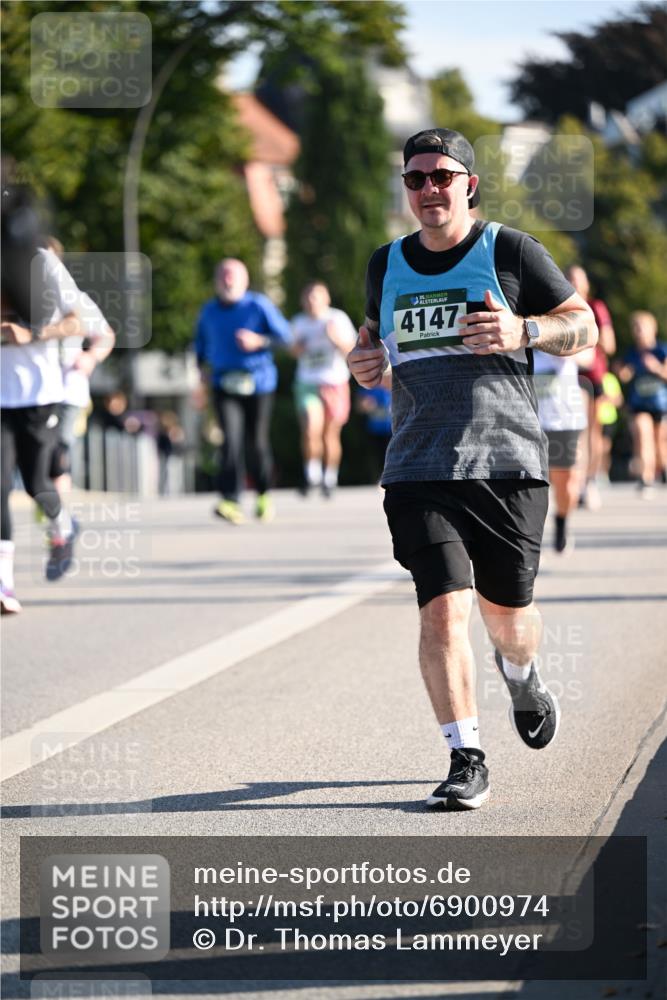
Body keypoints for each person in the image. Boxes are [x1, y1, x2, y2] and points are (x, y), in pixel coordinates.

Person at [347, 128, 598, 810]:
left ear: (469, 184)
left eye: (442, 176)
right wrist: (364, 366)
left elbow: (584, 326)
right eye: (416, 178)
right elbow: (373, 351)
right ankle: (465, 756)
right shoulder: (385, 264)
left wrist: (526, 330)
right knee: (442, 611)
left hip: (506, 464)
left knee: (507, 618)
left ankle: (520, 673)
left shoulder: (509, 251)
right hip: (418, 466)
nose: (429, 189)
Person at [1, 190, 82, 613]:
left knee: (36, 484)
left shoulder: (43, 263)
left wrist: (30, 335)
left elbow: (76, 321)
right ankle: (4, 585)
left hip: (38, 395)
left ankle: (63, 527)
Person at [194, 259, 291, 524]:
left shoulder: (258, 305)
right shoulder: (208, 311)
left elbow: (286, 337)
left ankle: (263, 494)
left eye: (233, 276)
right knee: (230, 440)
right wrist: (201, 371)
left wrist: (259, 341)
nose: (228, 281)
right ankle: (230, 500)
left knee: (256, 442)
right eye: (223, 276)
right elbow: (199, 347)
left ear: (244, 280)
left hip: (259, 383)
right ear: (216, 281)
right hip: (223, 383)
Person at [45, 237, 115, 496]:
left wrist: (91, 357)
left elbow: (105, 335)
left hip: (68, 389)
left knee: (59, 450)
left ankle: (56, 509)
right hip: (34, 389)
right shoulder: (20, 299)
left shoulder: (77, 299)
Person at [291, 282, 356, 497]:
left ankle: (330, 477)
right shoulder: (299, 322)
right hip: (308, 382)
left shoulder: (337, 319)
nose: (312, 301)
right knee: (311, 428)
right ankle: (312, 474)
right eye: (308, 297)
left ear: (326, 299)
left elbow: (352, 351)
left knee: (330, 433)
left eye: (316, 296)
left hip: (335, 382)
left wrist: (335, 338)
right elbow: (292, 351)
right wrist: (298, 348)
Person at [566, 266, 616, 510]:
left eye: (578, 279)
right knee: (575, 433)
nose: (574, 283)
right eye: (569, 279)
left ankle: (590, 481)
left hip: (592, 376)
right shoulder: (560, 308)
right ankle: (575, 482)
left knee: (592, 432)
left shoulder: (596, 307)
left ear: (586, 283)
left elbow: (609, 345)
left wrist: (586, 339)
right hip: (566, 378)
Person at [533, 351, 587, 554]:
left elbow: (589, 356)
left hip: (564, 421)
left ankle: (562, 519)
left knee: (566, 483)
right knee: (532, 484)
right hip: (532, 422)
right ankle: (530, 537)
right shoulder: (520, 340)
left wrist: (567, 351)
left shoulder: (565, 335)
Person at [615, 311, 667, 497]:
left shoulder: (661, 350)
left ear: (653, 329)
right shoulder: (631, 353)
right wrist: (622, 372)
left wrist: (656, 368)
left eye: (642, 327)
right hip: (638, 405)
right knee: (643, 435)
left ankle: (662, 468)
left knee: (660, 444)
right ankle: (646, 478)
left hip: (660, 405)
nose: (638, 332)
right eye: (635, 328)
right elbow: (622, 373)